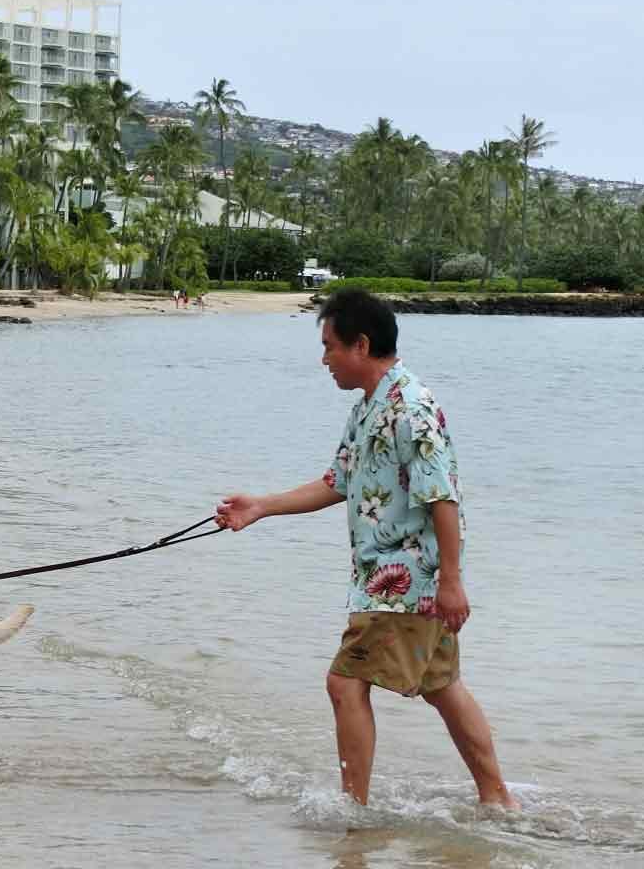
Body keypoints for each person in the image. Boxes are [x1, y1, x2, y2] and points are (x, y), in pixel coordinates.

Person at [215, 287, 517, 810]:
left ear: (360, 344)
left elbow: (440, 494)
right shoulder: (367, 409)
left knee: (344, 682)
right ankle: (497, 798)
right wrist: (260, 506)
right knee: (443, 686)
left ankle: (352, 809)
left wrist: (450, 580)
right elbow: (339, 481)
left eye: (330, 345)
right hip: (387, 580)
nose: (324, 358)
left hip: (407, 583)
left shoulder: (411, 408)